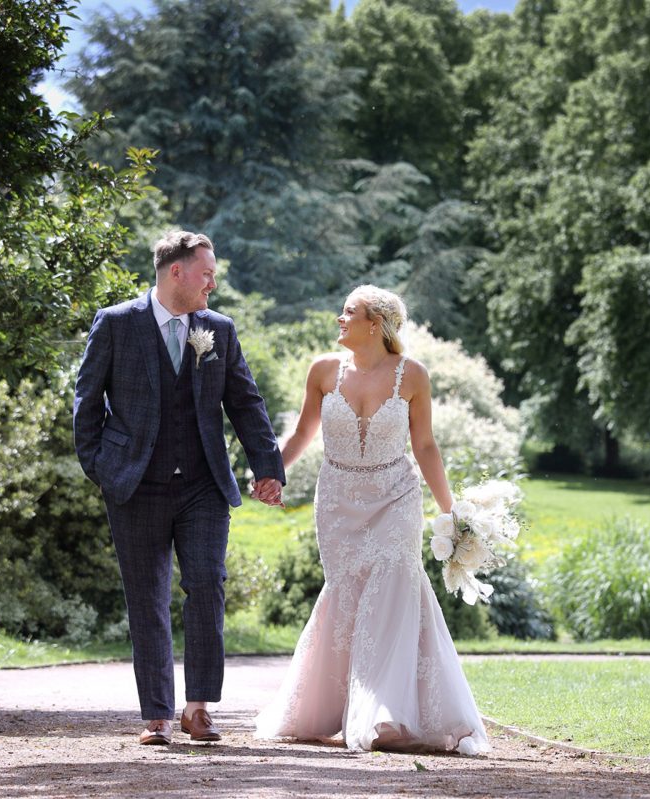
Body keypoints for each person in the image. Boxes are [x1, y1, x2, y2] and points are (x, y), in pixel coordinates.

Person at [254, 285, 490, 755]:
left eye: (349, 313)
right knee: (347, 594)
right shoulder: (323, 371)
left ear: (375, 324)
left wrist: (452, 513)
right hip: (338, 500)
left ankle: (385, 711)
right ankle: (341, 709)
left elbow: (424, 446)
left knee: (392, 585)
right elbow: (303, 431)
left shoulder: (412, 376)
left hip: (396, 497)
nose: (339, 319)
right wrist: (270, 475)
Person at [73, 231, 285, 746]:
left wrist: (268, 466)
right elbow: (86, 402)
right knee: (146, 598)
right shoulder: (117, 323)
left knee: (208, 585)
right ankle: (158, 716)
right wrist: (102, 467)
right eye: (207, 273)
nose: (213, 283)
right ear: (177, 272)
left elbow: (246, 402)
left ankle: (198, 708)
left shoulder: (219, 330)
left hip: (203, 485)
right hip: (134, 486)